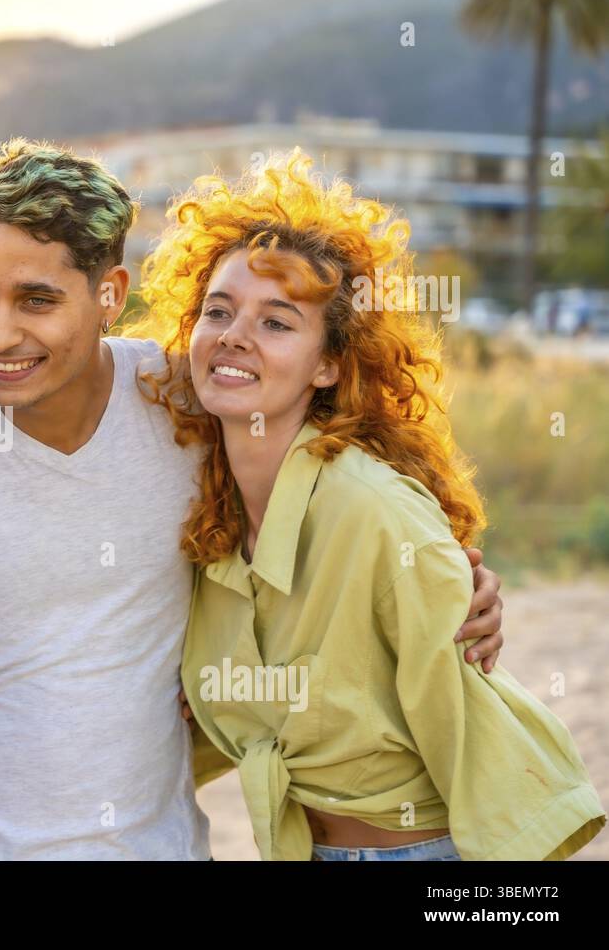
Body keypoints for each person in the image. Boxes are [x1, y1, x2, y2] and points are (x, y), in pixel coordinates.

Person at [0, 139, 506, 859]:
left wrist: (458, 577)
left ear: (110, 294)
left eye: (37, 299)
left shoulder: (190, 401)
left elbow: (345, 465)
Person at [145, 150, 605, 860]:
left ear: (329, 364)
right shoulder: (207, 509)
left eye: (277, 322)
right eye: (219, 310)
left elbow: (484, 737)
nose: (235, 334)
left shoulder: (373, 511)